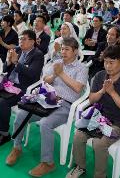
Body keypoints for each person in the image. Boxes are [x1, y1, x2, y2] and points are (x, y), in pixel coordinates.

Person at [6, 37, 88, 177]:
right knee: (21, 114)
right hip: (48, 100)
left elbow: (78, 88)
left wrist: (60, 74)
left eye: (67, 49)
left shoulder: (82, 68)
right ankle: (17, 147)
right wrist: (54, 75)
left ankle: (48, 163)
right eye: (62, 49)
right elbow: (45, 80)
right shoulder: (57, 62)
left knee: (45, 124)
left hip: (66, 105)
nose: (63, 52)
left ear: (75, 51)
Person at [67, 44, 120, 178]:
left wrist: (112, 93)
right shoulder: (100, 76)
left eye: (112, 62)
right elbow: (92, 99)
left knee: (99, 144)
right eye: (106, 62)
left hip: (116, 124)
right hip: (97, 118)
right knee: (78, 136)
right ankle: (80, 167)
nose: (108, 66)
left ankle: (100, 175)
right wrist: (102, 91)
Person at [0, 30, 44, 148]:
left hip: (23, 87)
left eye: (24, 39)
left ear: (32, 41)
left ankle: (4, 133)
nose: (21, 41)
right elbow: (4, 70)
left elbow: (32, 73)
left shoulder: (37, 55)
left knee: (3, 102)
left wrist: (16, 62)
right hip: (9, 84)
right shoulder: (18, 50)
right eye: (20, 39)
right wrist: (8, 62)